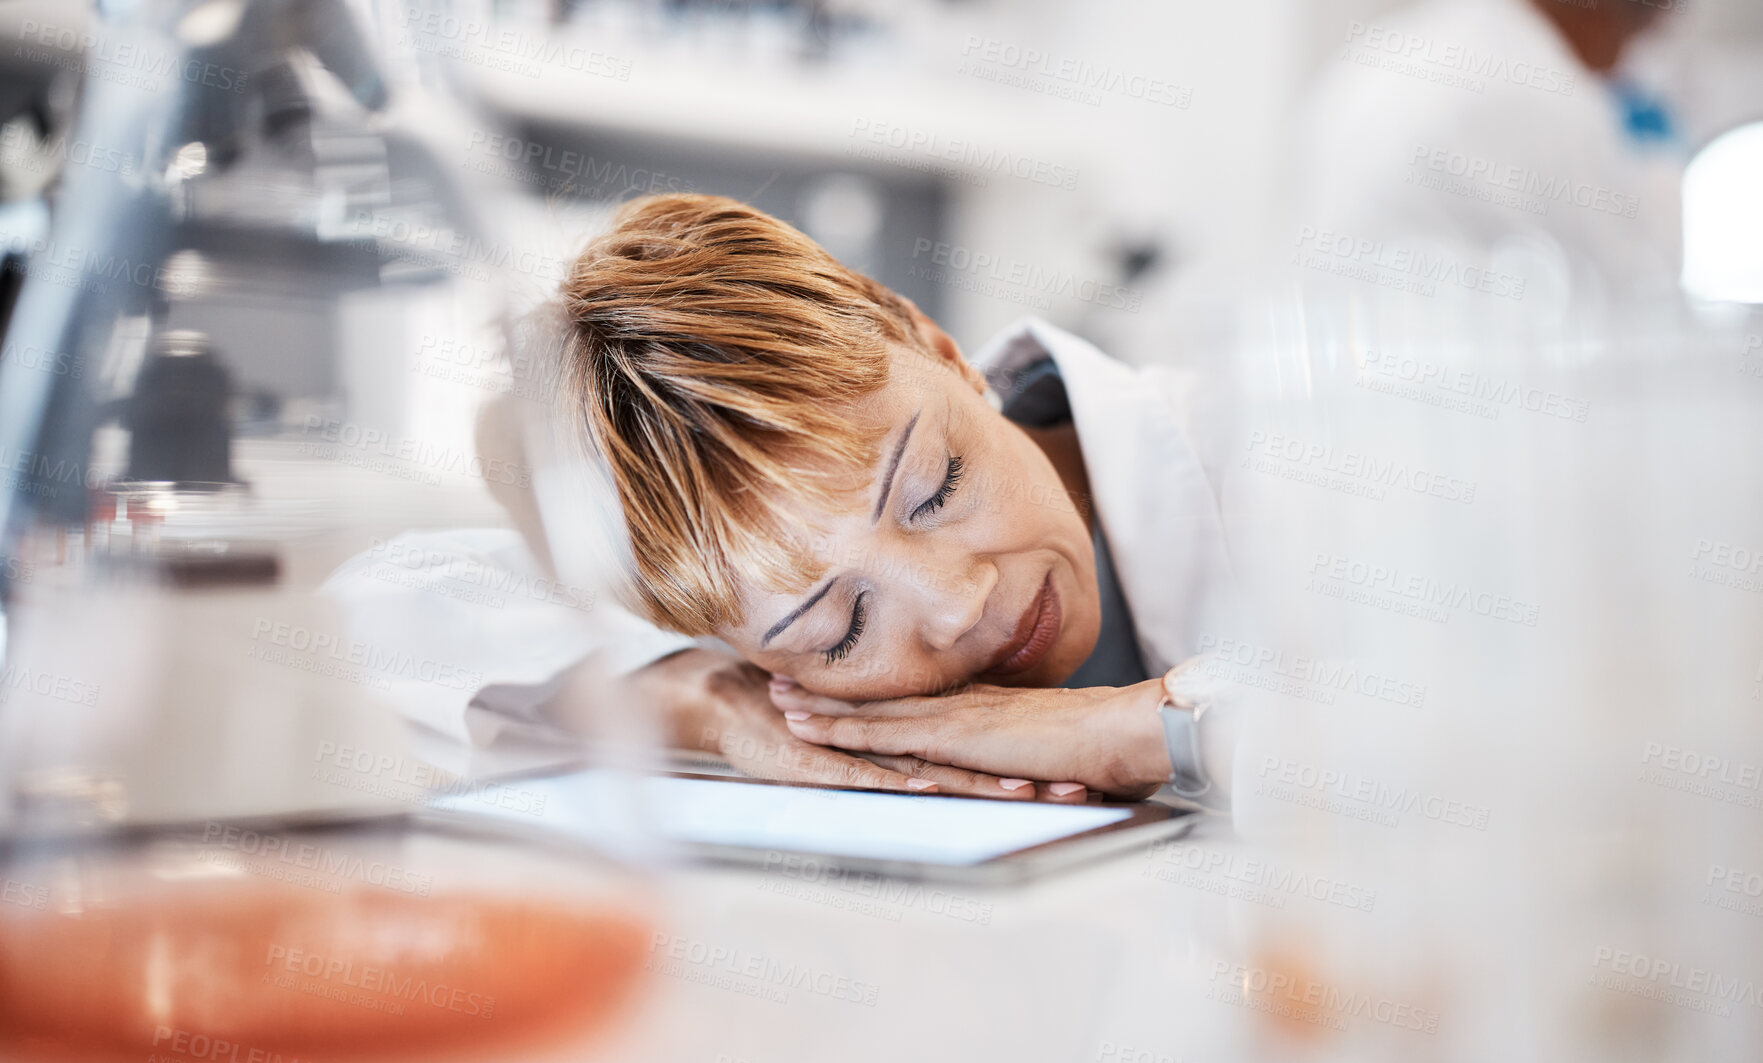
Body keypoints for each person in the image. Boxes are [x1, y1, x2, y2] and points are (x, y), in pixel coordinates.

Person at [321, 194, 1236, 806]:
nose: (958, 603)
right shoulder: (732, 647)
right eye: (839, 629)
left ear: (935, 343)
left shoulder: (1260, 446)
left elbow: (1381, 726)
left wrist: (1150, 728)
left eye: (936, 487)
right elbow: (357, 625)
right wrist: (712, 702)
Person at [1295, 0, 1685, 299]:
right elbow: (1634, 296)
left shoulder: (1391, 54)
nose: (1621, 70)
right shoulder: (1545, 96)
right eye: (1634, 42)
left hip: (1344, 366)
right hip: (1440, 369)